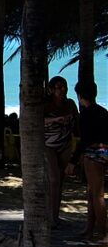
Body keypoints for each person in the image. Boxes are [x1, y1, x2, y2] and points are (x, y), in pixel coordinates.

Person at [66, 81, 107, 242]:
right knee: (92, 193)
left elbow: (84, 141)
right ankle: (89, 229)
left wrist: (73, 160)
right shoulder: (103, 111)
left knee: (97, 195)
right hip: (105, 151)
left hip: (93, 153)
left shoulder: (86, 114)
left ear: (80, 96)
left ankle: (103, 232)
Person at [44, 76, 79, 226]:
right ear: (51, 90)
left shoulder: (70, 104)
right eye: (58, 87)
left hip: (65, 143)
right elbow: (37, 120)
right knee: (53, 179)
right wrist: (56, 120)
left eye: (64, 86)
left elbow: (77, 121)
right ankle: (50, 216)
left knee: (61, 181)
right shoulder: (46, 104)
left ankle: (55, 215)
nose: (62, 90)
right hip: (48, 145)